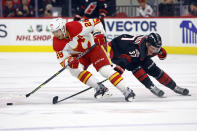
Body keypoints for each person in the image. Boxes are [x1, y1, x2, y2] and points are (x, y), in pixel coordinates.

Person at [48, 18, 135, 102]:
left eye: (57, 31)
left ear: (63, 28)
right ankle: (99, 87)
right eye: (53, 32)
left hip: (94, 49)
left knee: (105, 71)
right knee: (74, 70)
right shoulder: (57, 44)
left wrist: (98, 34)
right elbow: (63, 61)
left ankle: (126, 90)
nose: (55, 34)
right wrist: (69, 61)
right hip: (80, 55)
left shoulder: (77, 26)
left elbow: (96, 22)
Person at [105, 33, 189, 97]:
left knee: (153, 68)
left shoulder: (150, 47)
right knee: (135, 67)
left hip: (136, 53)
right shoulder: (134, 50)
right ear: (147, 44)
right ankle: (151, 86)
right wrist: (120, 67)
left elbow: (157, 51)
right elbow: (126, 61)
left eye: (157, 49)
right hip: (118, 52)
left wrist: (160, 51)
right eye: (153, 49)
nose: (154, 52)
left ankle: (175, 87)